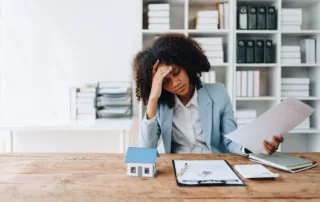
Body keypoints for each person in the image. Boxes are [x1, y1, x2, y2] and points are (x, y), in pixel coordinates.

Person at [132, 33, 283, 155]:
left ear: (186, 65)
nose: (175, 83)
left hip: (214, 164)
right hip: (174, 169)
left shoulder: (218, 93)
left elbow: (230, 140)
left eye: (176, 73)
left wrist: (254, 146)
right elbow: (145, 151)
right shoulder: (160, 103)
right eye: (165, 81)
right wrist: (152, 99)